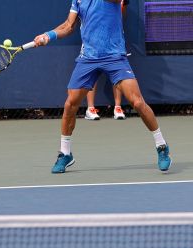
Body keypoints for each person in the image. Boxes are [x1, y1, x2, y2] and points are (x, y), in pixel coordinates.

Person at [31, 0, 171, 174]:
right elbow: (68, 26)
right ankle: (65, 154)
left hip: (115, 57)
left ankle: (161, 146)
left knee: (137, 102)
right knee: (70, 104)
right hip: (88, 57)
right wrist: (48, 35)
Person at [85, 0, 129, 121]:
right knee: (92, 72)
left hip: (115, 40)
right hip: (93, 39)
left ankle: (118, 107)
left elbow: (122, 13)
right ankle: (90, 108)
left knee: (117, 73)